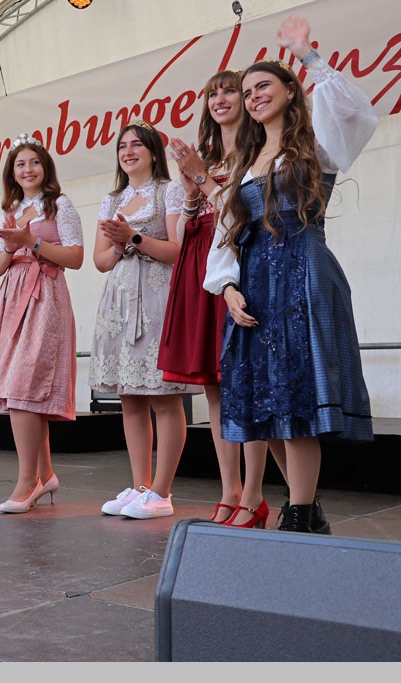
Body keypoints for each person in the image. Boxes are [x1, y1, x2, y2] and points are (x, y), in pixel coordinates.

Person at [204, 16, 377, 533]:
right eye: (247, 91)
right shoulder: (246, 160)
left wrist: (306, 55)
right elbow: (229, 229)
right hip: (256, 282)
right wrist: (228, 287)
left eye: (263, 87)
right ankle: (307, 509)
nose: (254, 96)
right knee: (267, 401)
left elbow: (356, 113)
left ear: (288, 91)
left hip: (303, 272)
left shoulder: (315, 143)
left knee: (296, 396)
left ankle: (299, 513)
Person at [162, 72, 284, 528]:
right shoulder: (206, 157)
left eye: (230, 90)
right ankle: (230, 489)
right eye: (212, 93)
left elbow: (245, 214)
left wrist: (202, 179)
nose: (221, 99)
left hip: (244, 267)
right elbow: (182, 233)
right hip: (204, 268)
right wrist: (191, 195)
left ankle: (254, 493)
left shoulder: (258, 153)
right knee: (215, 389)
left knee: (243, 383)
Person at [91, 121, 191, 520]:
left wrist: (133, 238)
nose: (128, 152)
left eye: (136, 145)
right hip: (118, 300)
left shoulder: (170, 190)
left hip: (156, 296)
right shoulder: (112, 198)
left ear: (153, 151)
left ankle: (162, 491)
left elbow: (178, 251)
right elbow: (100, 261)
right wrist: (119, 246)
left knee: (163, 396)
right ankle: (140, 486)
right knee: (129, 397)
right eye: (122, 146)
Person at [0, 135, 84, 514]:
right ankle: (45, 473)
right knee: (20, 389)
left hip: (45, 297)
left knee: (23, 386)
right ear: (12, 172)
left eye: (34, 162)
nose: (28, 170)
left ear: (46, 167)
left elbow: (75, 257)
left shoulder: (60, 205)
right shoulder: (12, 209)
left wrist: (33, 242)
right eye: (20, 164)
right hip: (12, 299)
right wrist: (12, 245)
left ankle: (29, 481)